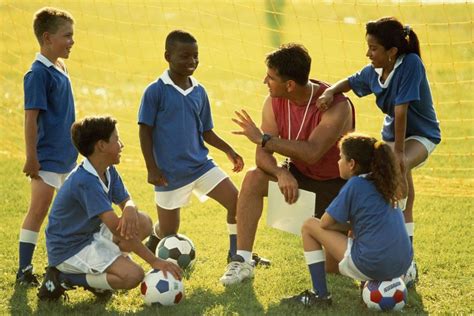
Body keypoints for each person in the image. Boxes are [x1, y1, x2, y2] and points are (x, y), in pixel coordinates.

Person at [220, 43, 355, 286]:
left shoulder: (337, 105)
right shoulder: (273, 101)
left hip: (336, 189)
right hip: (298, 178)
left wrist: (263, 139)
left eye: (271, 77)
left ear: (290, 84)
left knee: (334, 270)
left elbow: (313, 152)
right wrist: (280, 172)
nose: (265, 81)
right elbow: (262, 157)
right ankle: (242, 260)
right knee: (254, 177)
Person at [317, 17, 441, 279]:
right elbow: (351, 81)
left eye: (373, 48)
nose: (368, 53)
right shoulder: (374, 71)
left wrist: (396, 153)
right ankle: (377, 241)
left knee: (398, 169)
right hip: (392, 137)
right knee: (384, 179)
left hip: (421, 134)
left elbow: (401, 110)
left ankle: (406, 261)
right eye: (368, 47)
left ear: (392, 52)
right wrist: (330, 92)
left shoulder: (410, 64)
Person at [37, 116, 182, 301]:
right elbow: (118, 230)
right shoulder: (85, 181)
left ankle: (103, 271)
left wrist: (129, 207)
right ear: (101, 146)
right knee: (133, 276)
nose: (121, 145)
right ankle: (62, 278)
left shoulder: (106, 169)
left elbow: (126, 201)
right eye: (117, 139)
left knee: (143, 221)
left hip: (90, 234)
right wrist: (154, 261)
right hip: (70, 248)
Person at [138, 30, 246, 264]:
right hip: (169, 174)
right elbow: (144, 131)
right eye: (185, 56)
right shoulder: (155, 91)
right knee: (168, 232)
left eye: (195, 56)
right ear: (167, 56)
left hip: (201, 166)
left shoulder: (199, 91)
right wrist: (152, 168)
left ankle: (236, 255)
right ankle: (157, 237)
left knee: (236, 201)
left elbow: (206, 130)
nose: (192, 62)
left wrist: (228, 150)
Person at [282, 133, 413, 308]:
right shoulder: (385, 182)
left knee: (309, 225)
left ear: (351, 164)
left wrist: (348, 224)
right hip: (403, 265)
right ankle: (366, 281)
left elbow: (325, 223)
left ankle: (319, 295)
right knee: (361, 229)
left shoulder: (355, 185)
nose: (338, 162)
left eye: (340, 157)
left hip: (372, 264)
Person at [17, 7, 79, 286]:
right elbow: (31, 120)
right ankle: (24, 269)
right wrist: (32, 158)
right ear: (47, 38)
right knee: (39, 210)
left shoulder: (60, 66)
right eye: (67, 36)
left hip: (67, 156)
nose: (72, 41)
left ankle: (61, 265)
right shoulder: (37, 74)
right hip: (48, 159)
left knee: (68, 213)